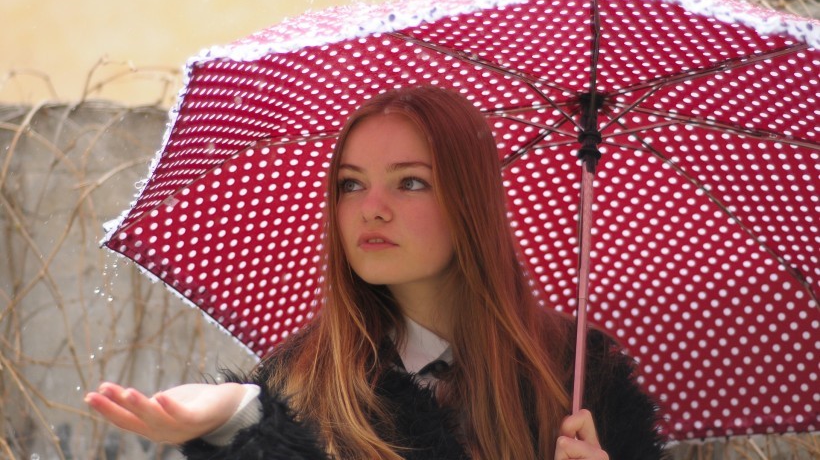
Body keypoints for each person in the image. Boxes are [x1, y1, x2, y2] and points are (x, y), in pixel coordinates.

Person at [86, 86, 666, 459]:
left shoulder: (578, 380)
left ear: (472, 203)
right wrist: (240, 416)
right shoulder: (305, 384)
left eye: (410, 181)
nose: (372, 207)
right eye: (351, 184)